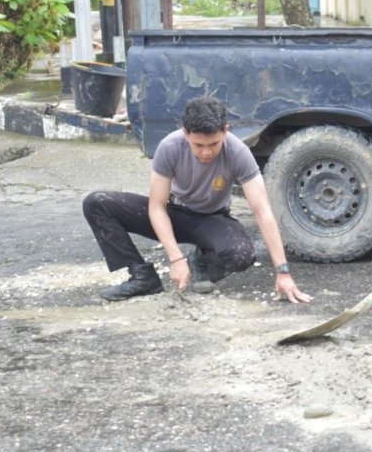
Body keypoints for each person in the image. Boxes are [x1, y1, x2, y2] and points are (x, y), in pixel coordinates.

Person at [83, 96, 313, 304]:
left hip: (210, 219)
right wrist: (175, 258)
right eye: (198, 145)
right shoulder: (169, 147)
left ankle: (201, 262)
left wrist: (283, 272)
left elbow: (263, 211)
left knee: (242, 254)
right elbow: (157, 207)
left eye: (213, 144)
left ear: (225, 131)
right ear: (186, 134)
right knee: (97, 202)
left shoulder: (238, 152)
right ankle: (143, 277)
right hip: (173, 212)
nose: (206, 152)